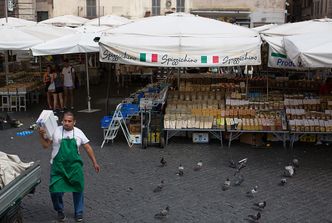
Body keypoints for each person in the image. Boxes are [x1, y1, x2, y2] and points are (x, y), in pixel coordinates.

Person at [38, 112, 100, 222]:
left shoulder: (79, 133)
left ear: (74, 122)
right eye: (65, 121)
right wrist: (41, 135)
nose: (66, 123)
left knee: (78, 189)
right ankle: (59, 210)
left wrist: (94, 162)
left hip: (74, 167)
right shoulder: (55, 130)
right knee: (55, 191)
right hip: (58, 167)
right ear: (62, 121)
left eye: (69, 121)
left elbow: (88, 148)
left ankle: (79, 212)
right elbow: (45, 145)